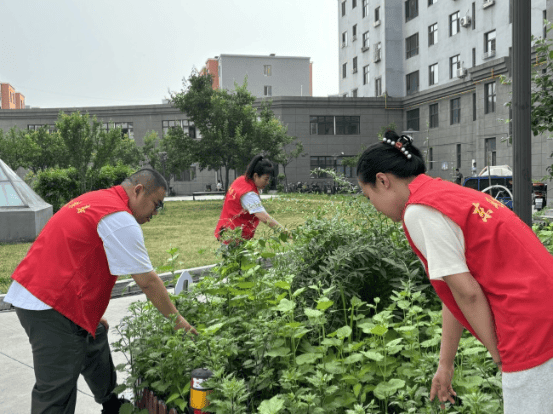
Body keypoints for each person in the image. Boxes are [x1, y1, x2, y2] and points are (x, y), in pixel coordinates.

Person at [356, 130, 553, 414]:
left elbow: (468, 293)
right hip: (543, 305)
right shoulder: (442, 193)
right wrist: (445, 365)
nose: (373, 206)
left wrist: (500, 357)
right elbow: (455, 293)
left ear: (382, 181)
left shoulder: (419, 211)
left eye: (368, 196)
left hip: (527, 322)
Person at [4, 168, 197, 414]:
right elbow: (147, 281)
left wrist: (89, 312)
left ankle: (112, 403)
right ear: (138, 191)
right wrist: (178, 321)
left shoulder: (95, 199)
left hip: (42, 290)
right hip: (49, 304)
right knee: (56, 391)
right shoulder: (120, 218)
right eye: (156, 204)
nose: (155, 213)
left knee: (95, 335)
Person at [214, 154, 286, 244]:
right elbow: (264, 217)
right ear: (256, 176)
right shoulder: (248, 194)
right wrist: (284, 231)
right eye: (266, 179)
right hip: (234, 237)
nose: (267, 182)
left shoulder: (241, 180)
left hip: (226, 230)